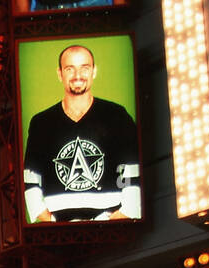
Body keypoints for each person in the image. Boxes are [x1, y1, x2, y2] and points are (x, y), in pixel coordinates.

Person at [22, 44, 140, 223]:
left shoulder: (116, 115)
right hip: (60, 232)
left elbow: (134, 170)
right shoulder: (41, 123)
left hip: (113, 224)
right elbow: (30, 178)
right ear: (60, 73)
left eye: (84, 68)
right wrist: (51, 220)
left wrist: (124, 214)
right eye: (70, 69)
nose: (78, 76)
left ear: (94, 71)